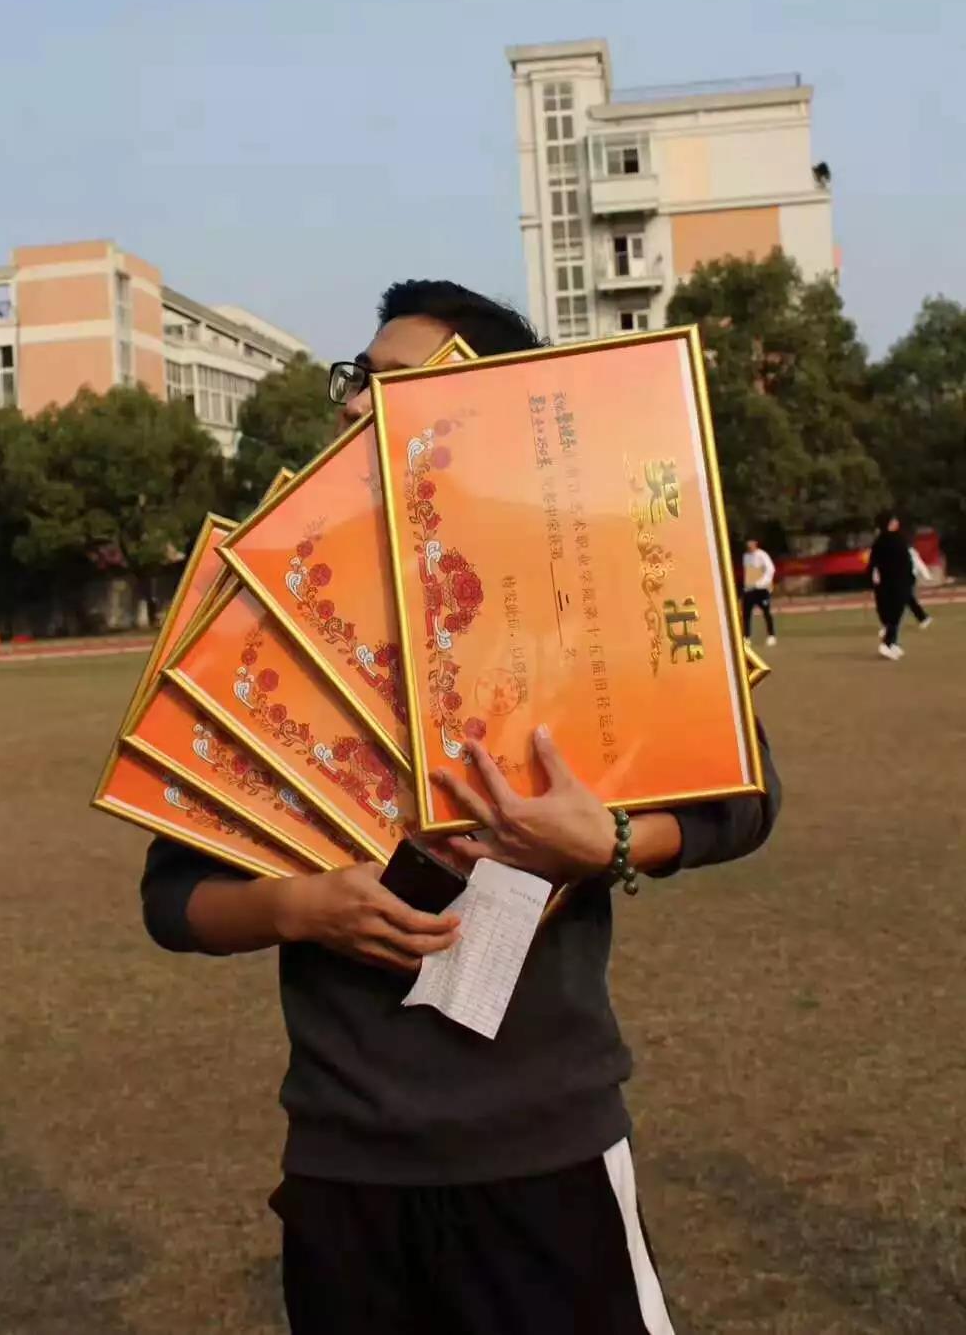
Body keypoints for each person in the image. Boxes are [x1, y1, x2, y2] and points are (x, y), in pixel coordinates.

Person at [140, 279, 782, 1335]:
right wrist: (302, 908)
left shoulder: (578, 586)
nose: (358, 405)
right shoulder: (269, 615)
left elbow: (745, 791)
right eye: (357, 380)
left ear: (480, 413)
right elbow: (174, 899)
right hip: (346, 1162)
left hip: (544, 1147)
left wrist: (612, 839)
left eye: (395, 384)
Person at [869, 511, 913, 660]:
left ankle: (892, 642)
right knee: (893, 614)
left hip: (899, 581)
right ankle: (887, 644)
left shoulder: (897, 538)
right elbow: (874, 563)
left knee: (896, 615)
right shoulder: (883, 542)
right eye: (893, 521)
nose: (896, 523)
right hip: (890, 583)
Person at [741, 537, 777, 646]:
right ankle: (747, 637)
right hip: (750, 589)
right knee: (746, 614)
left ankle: (771, 635)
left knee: (766, 612)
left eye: (751, 543)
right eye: (748, 543)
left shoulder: (762, 555)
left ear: (755, 543)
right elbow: (748, 572)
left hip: (762, 589)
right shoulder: (745, 556)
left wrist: (763, 582)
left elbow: (770, 569)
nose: (749, 545)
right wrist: (747, 586)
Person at [906, 541, 933, 629]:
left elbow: (918, 563)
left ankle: (923, 618)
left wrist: (927, 575)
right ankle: (923, 618)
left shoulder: (909, 551)